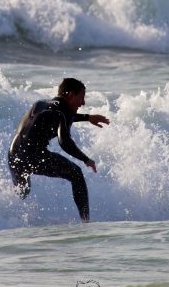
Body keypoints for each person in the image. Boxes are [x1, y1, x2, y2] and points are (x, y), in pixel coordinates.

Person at [8, 78, 110, 222]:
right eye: (81, 97)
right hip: (34, 156)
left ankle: (9, 219)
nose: (83, 103)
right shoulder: (62, 114)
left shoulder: (41, 104)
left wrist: (87, 117)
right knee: (76, 174)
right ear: (69, 95)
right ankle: (86, 222)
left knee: (22, 193)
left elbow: (58, 114)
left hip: (14, 155)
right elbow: (65, 142)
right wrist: (85, 159)